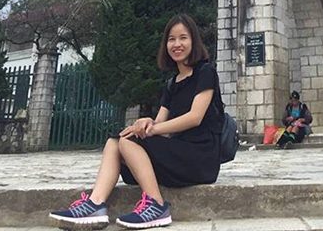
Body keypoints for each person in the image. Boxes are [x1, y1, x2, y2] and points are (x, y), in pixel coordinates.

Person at [49, 13, 223, 228]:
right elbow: (161, 127)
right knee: (117, 140)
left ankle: (156, 206)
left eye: (183, 38)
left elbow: (195, 117)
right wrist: (145, 124)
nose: (177, 44)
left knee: (130, 141)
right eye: (171, 39)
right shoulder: (172, 83)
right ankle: (95, 204)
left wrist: (151, 130)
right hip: (178, 154)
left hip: (200, 156)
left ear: (193, 41)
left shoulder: (205, 72)